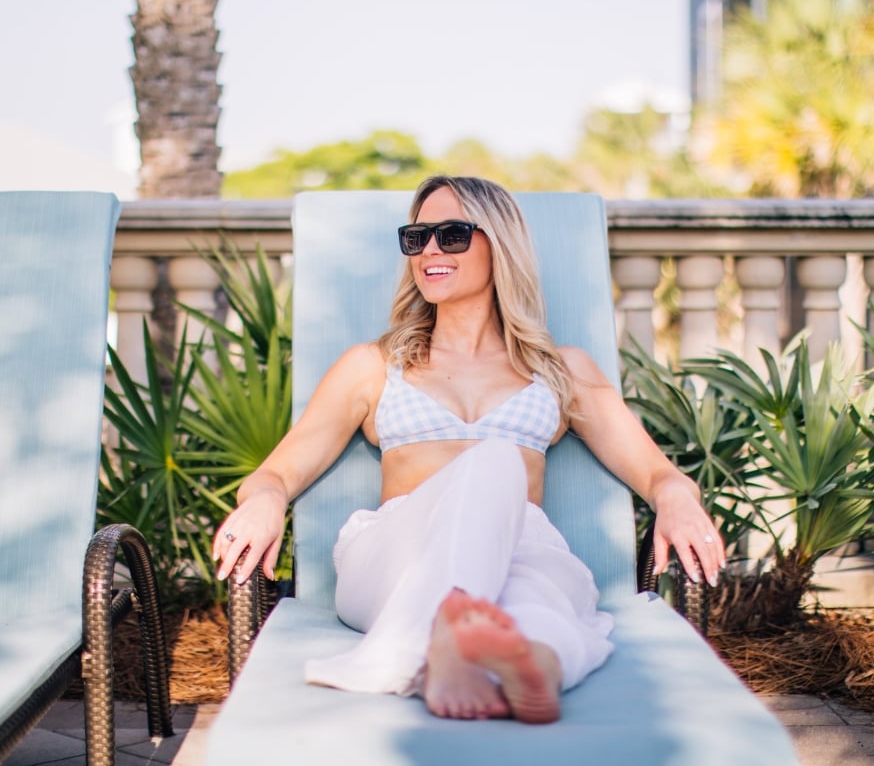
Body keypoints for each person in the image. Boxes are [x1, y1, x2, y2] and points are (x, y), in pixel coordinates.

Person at [213, 175, 725, 725]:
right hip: (397, 554)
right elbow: (276, 474)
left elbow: (655, 471)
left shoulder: (561, 369)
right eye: (418, 237)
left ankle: (533, 669)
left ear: (498, 243)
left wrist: (675, 495)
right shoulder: (374, 365)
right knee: (496, 458)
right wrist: (265, 499)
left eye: (452, 234)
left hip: (521, 549)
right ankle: (445, 641)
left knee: (545, 610)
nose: (430, 249)